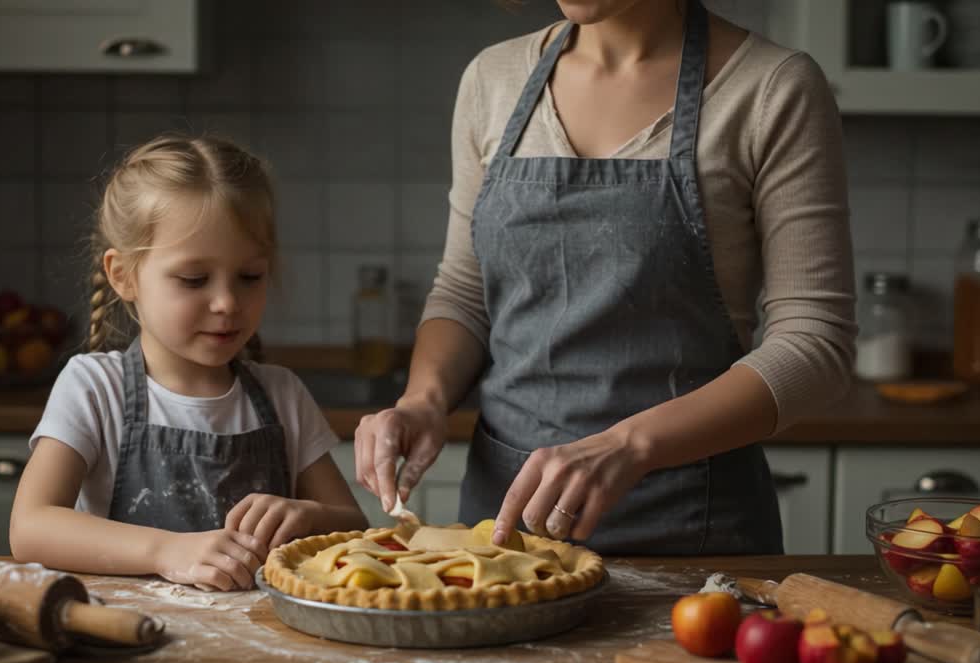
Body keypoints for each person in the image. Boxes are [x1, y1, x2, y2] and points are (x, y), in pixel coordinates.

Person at [354, 0, 855, 555]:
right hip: (503, 537)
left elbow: (815, 343)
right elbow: (466, 292)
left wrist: (629, 447)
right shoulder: (492, 79)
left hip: (694, 537)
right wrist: (424, 399)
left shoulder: (771, 88)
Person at [10, 133, 367, 590]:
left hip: (264, 647)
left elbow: (356, 530)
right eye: (194, 279)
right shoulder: (95, 388)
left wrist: (309, 517)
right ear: (124, 276)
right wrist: (167, 551)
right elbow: (30, 528)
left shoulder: (283, 396)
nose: (226, 302)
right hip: (135, 646)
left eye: (249, 277)